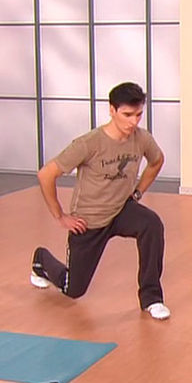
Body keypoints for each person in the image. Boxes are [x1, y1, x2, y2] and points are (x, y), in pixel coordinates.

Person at [30, 81, 170, 320]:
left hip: (121, 209)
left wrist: (137, 193)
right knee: (74, 290)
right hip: (89, 220)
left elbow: (157, 161)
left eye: (138, 115)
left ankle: (151, 298)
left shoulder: (142, 138)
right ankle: (41, 260)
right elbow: (46, 174)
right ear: (112, 110)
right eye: (127, 115)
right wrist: (60, 216)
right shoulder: (89, 143)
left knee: (151, 224)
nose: (133, 122)